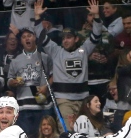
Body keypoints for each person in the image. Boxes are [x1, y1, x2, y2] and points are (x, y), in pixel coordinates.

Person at [34, 0, 102, 131]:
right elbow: (41, 37)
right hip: (63, 100)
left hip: (83, 100)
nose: (65, 40)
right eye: (63, 38)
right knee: (67, 131)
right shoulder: (56, 51)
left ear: (76, 39)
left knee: (85, 130)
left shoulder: (84, 50)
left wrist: (97, 17)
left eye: (69, 37)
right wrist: (37, 18)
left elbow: (96, 35)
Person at [6, 26, 52, 138]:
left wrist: (46, 87)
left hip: (42, 107)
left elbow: (53, 76)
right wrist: (14, 82)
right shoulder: (15, 60)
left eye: (29, 36)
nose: (27, 39)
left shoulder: (45, 57)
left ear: (34, 37)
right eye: (24, 37)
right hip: (23, 107)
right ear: (21, 41)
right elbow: (9, 80)